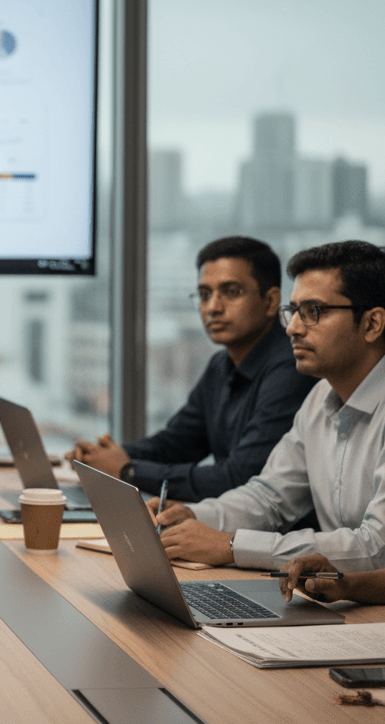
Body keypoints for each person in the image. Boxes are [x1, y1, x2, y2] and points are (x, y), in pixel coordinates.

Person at [154, 240, 385, 571]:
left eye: (313, 312)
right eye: (293, 312)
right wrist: (193, 515)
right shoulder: (321, 398)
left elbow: (376, 547)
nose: (292, 328)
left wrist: (232, 546)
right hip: (342, 601)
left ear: (372, 324)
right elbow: (270, 497)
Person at [68, 236, 316, 501]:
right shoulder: (221, 365)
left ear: (270, 301)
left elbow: (240, 478)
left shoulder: (292, 369)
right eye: (204, 294)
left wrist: (128, 470)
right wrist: (103, 457)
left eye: (231, 292)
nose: (213, 307)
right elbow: (176, 443)